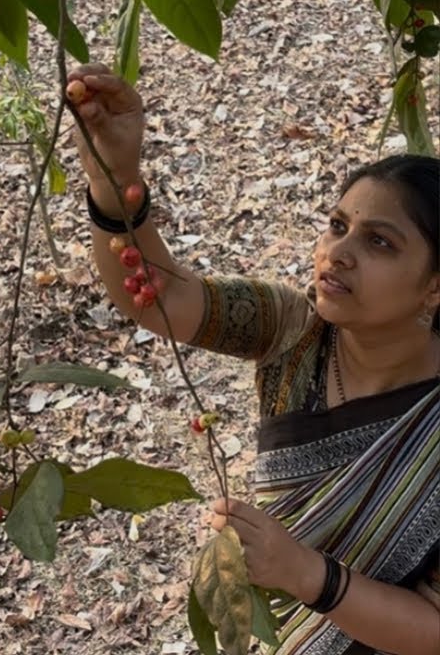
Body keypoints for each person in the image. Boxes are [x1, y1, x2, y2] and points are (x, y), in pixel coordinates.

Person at [69, 63, 440, 655]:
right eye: (337, 226)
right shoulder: (293, 329)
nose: (337, 252)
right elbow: (159, 299)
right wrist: (114, 174)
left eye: (379, 242)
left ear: (434, 287)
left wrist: (305, 574)